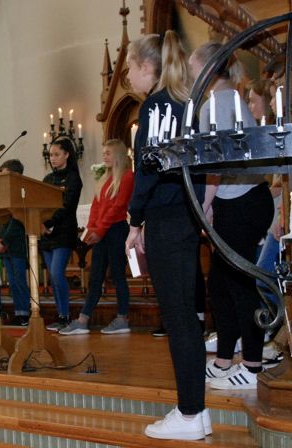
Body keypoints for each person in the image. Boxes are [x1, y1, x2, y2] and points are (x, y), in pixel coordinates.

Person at [125, 30, 210, 440]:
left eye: (129, 67)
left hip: (165, 219)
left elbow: (146, 172)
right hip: (186, 217)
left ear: (146, 67)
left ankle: (190, 413)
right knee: (185, 318)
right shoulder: (186, 103)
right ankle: (199, 412)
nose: (127, 76)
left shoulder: (157, 106)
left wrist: (135, 220)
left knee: (178, 320)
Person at [191, 41, 274, 391]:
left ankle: (252, 366)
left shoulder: (217, 104)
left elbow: (216, 165)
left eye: (195, 71)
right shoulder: (232, 100)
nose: (193, 78)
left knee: (238, 285)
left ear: (209, 71)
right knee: (222, 285)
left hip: (237, 202)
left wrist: (204, 208)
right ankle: (226, 358)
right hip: (247, 198)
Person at [60, 140, 134, 336]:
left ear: (118, 155)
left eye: (108, 153)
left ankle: (122, 317)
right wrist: (92, 229)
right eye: (104, 153)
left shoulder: (127, 177)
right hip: (102, 231)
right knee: (96, 276)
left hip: (116, 230)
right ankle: (83, 319)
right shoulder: (104, 178)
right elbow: (96, 206)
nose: (104, 156)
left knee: (118, 275)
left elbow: (117, 207)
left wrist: (99, 230)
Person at [41, 137, 82, 332]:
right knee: (52, 276)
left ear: (67, 154)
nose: (53, 158)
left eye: (57, 154)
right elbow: (39, 201)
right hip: (47, 234)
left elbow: (67, 205)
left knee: (58, 274)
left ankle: (66, 315)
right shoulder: (48, 179)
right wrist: (42, 223)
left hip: (63, 232)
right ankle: (60, 315)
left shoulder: (73, 177)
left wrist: (49, 222)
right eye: (51, 155)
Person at [0, 159, 31, 326]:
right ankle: (19, 312)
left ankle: (25, 313)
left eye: (5, 175)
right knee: (12, 281)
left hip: (16, 244)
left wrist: (5, 241)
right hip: (6, 244)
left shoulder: (21, 193)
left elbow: (16, 223)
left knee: (19, 281)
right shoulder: (4, 193)